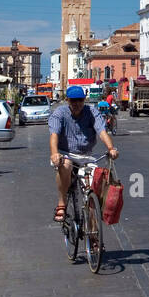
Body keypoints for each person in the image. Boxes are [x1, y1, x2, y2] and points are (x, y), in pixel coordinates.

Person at [49, 85, 118, 222]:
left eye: (80, 100)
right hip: (65, 153)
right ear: (67, 100)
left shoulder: (92, 112)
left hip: (86, 155)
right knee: (66, 165)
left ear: (84, 100)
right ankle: (62, 203)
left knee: (95, 187)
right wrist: (55, 153)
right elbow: (54, 134)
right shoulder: (60, 113)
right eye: (73, 100)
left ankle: (93, 235)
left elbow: (101, 131)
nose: (77, 104)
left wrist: (111, 148)